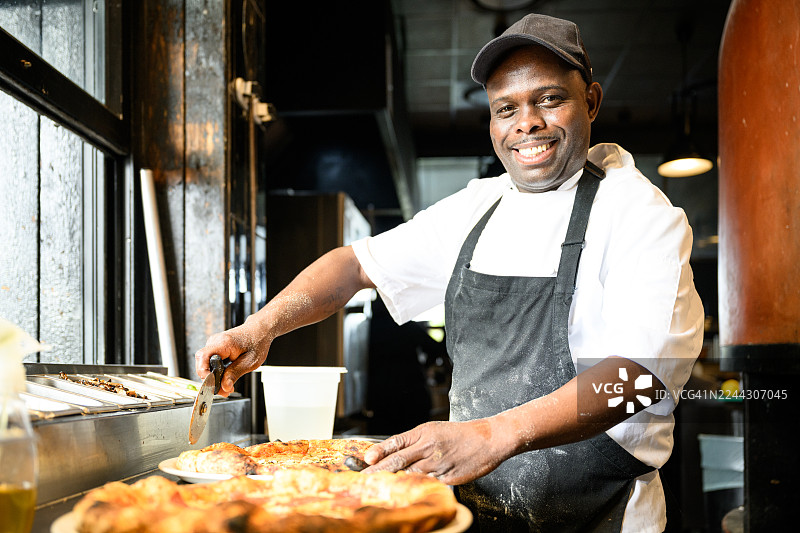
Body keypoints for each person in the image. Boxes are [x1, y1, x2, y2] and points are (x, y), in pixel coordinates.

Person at [196, 13, 704, 532]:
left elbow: (638, 377)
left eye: (549, 100)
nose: (525, 123)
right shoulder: (477, 209)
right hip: (472, 512)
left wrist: (492, 435)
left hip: (602, 517)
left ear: (591, 101)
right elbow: (351, 266)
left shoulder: (640, 215)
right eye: (506, 108)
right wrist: (260, 328)